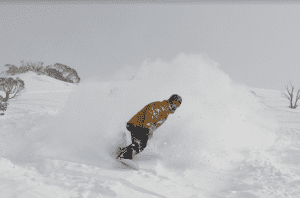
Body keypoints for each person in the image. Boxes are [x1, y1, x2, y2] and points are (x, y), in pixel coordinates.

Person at [117, 94, 182, 160]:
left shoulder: (166, 111)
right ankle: (124, 156)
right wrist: (149, 129)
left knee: (139, 144)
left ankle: (120, 152)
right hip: (138, 125)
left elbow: (155, 123)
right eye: (175, 103)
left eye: (178, 105)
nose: (176, 106)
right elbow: (149, 115)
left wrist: (150, 132)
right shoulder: (161, 106)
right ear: (170, 101)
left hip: (140, 125)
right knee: (141, 144)